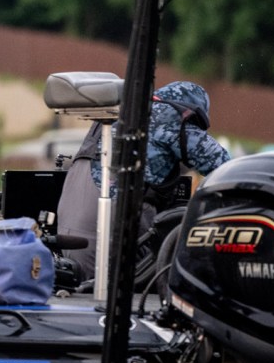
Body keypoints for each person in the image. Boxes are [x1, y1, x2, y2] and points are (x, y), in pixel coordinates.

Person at [56, 80, 231, 278]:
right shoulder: (170, 117)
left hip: (69, 241)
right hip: (110, 243)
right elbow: (227, 168)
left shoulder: (117, 114)